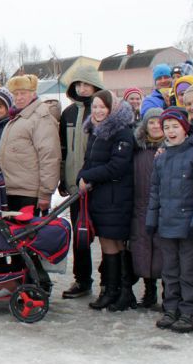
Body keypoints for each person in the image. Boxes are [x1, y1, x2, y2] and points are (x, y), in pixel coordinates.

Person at [145, 108, 193, 333]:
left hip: (189, 226)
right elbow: (155, 191)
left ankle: (190, 312)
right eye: (166, 127)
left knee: (189, 271)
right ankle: (171, 308)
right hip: (166, 224)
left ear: (185, 128)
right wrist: (152, 219)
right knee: (169, 270)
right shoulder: (161, 158)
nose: (170, 131)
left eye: (175, 126)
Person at [77, 91, 136, 311]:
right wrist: (81, 176)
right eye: (95, 107)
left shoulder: (122, 133)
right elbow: (89, 160)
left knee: (115, 242)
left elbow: (117, 166)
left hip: (116, 196)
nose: (98, 111)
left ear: (113, 109)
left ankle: (122, 290)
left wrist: (89, 176)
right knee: (106, 243)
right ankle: (111, 290)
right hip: (101, 197)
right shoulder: (95, 131)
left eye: (103, 107)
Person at [58, 66, 106, 299]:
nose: (82, 88)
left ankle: (108, 281)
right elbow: (63, 149)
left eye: (86, 84)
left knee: (106, 237)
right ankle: (82, 280)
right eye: (78, 84)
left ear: (95, 85)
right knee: (81, 236)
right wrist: (63, 177)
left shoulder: (102, 111)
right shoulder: (67, 113)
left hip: (100, 186)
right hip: (76, 185)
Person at [0, 74, 60, 212]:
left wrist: (45, 193)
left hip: (29, 193)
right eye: (16, 94)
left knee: (27, 232)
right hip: (12, 191)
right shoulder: (17, 117)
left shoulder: (40, 118)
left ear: (33, 93)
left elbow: (49, 156)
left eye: (23, 93)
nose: (19, 98)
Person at [130, 108, 166, 309]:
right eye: (151, 122)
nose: (155, 126)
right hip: (140, 205)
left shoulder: (170, 149)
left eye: (159, 122)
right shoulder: (138, 150)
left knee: (164, 250)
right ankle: (149, 289)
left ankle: (167, 291)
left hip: (163, 208)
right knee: (143, 249)